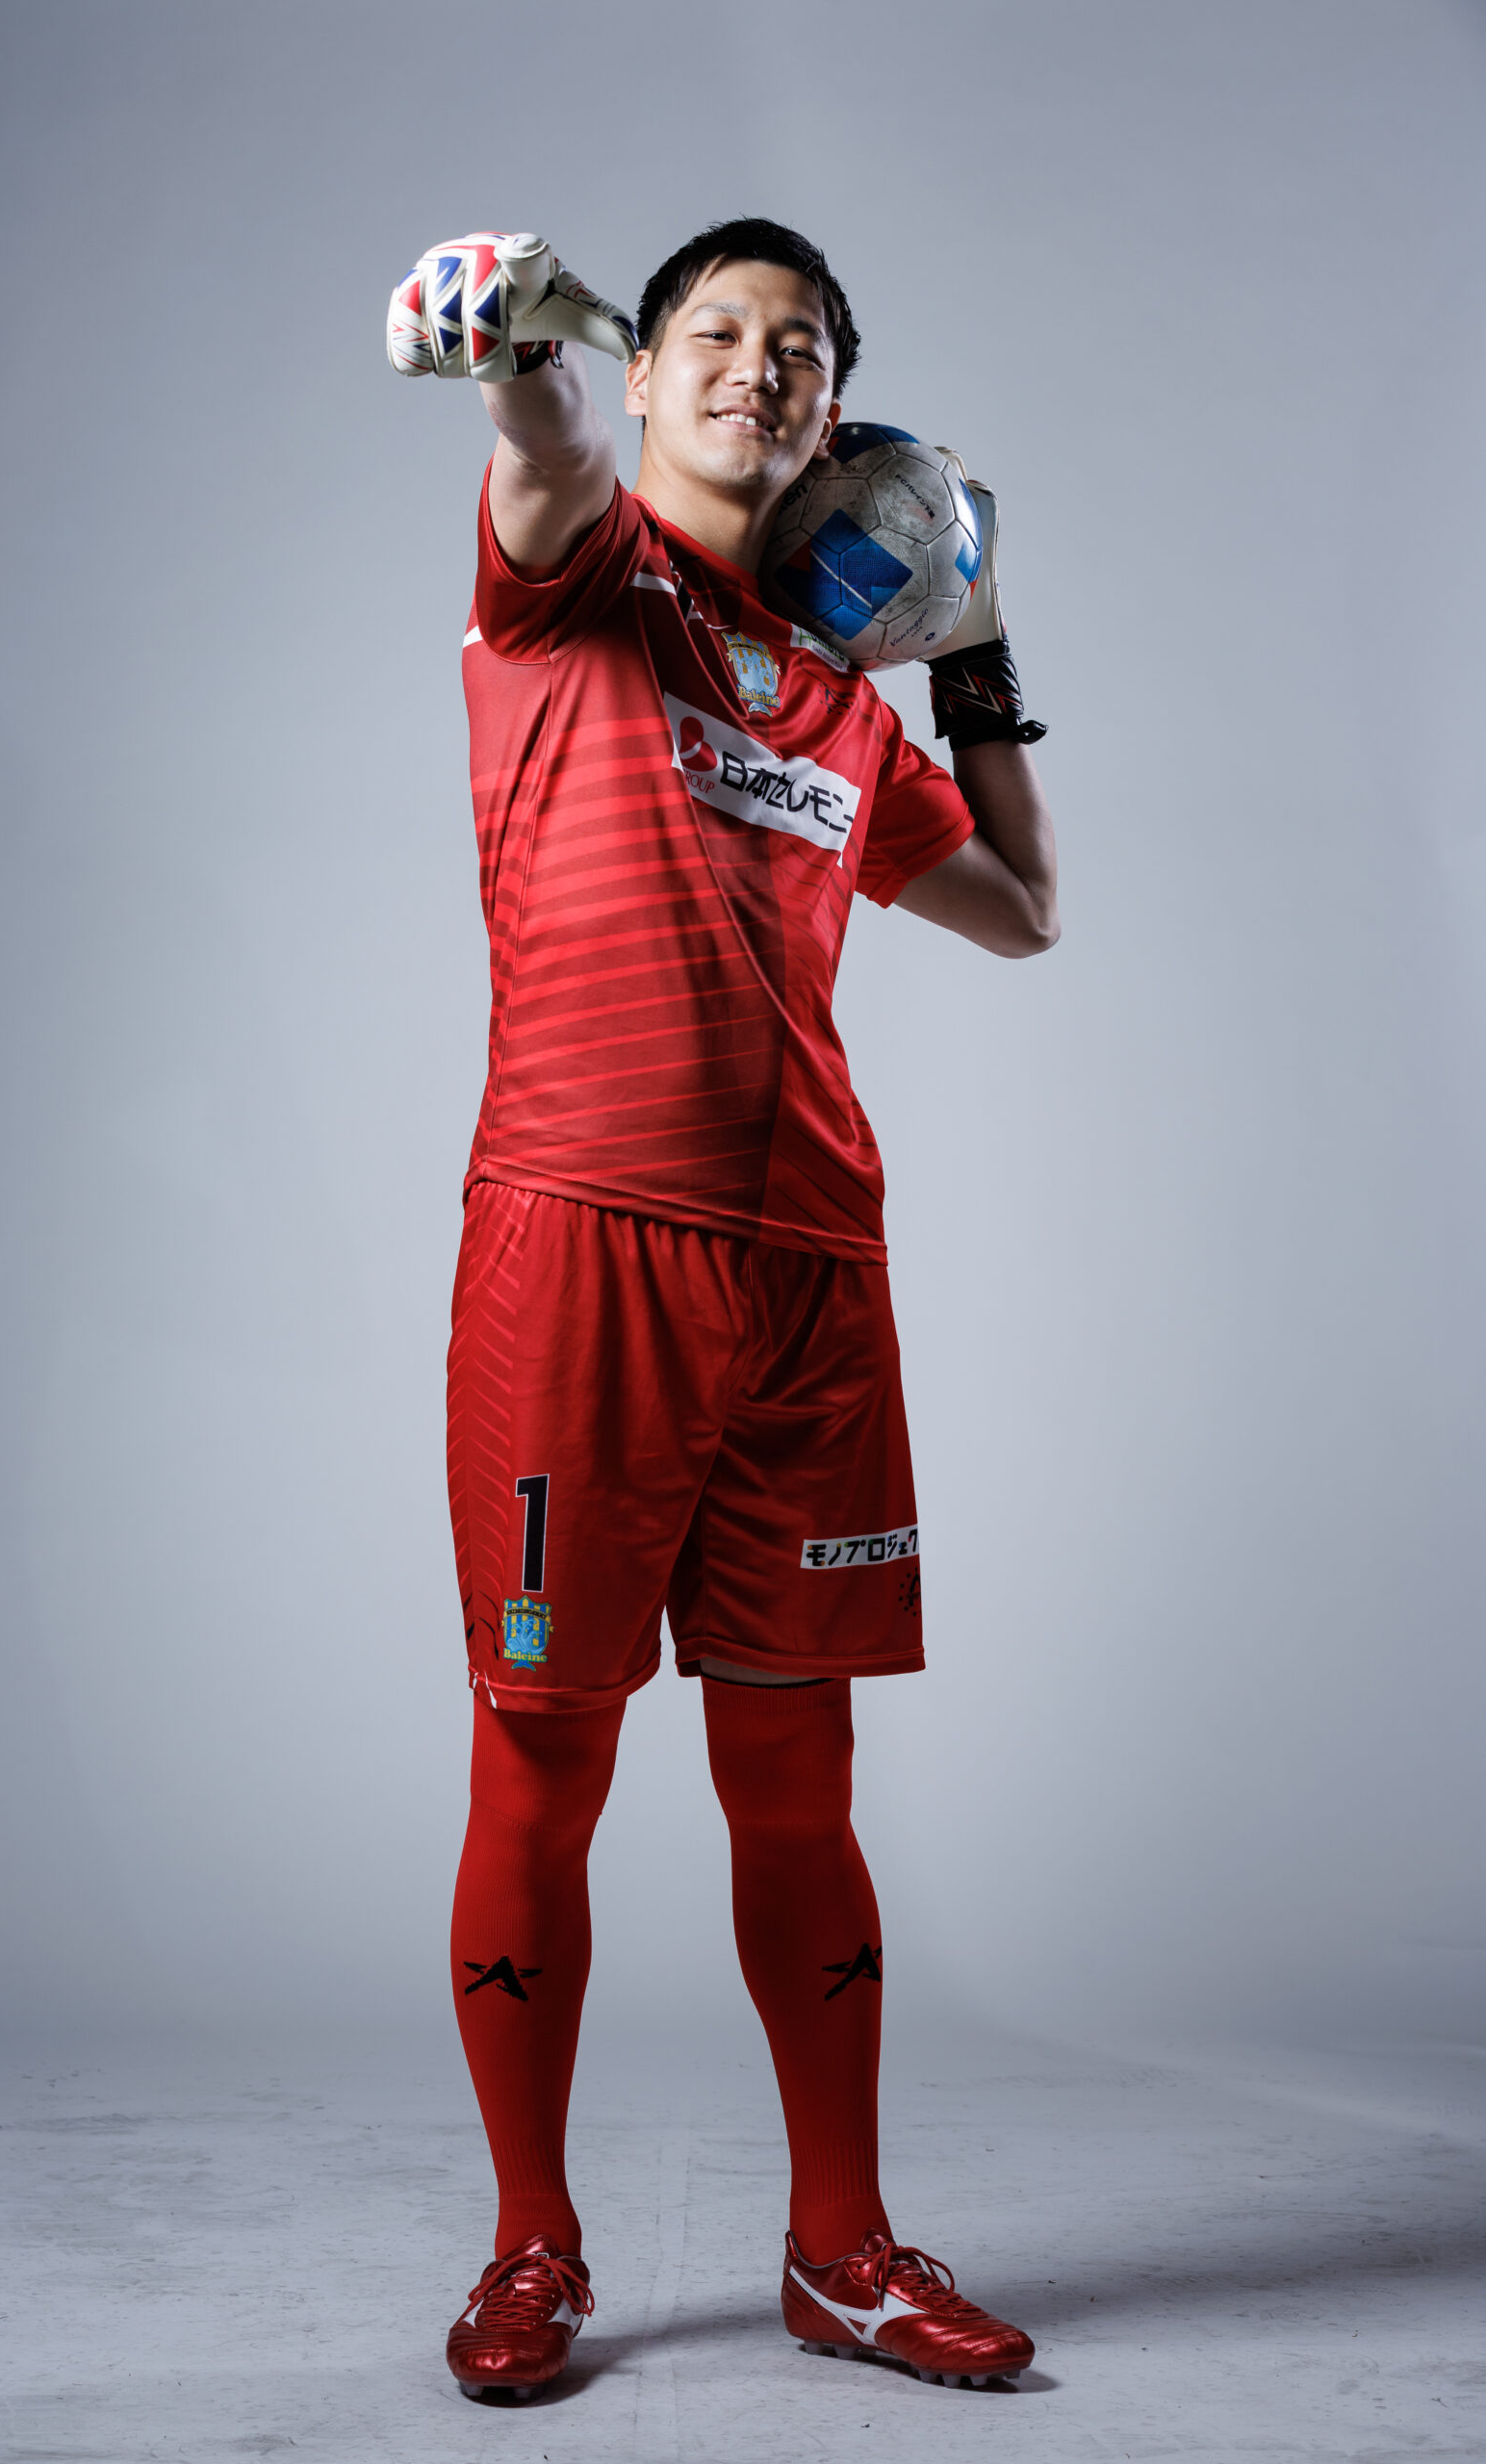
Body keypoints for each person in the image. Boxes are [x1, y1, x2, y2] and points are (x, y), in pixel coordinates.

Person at [386, 217, 1059, 2403]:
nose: (756, 366)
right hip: (581, 1250)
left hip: (809, 1275)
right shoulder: (575, 579)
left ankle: (838, 2250)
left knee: (797, 1774)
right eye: (716, 332)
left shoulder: (839, 699)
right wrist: (507, 340)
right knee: (543, 1756)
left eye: (798, 348)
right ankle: (531, 2244)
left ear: (834, 415)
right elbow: (539, 439)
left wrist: (971, 641)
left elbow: (1024, 910)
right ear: (652, 366)